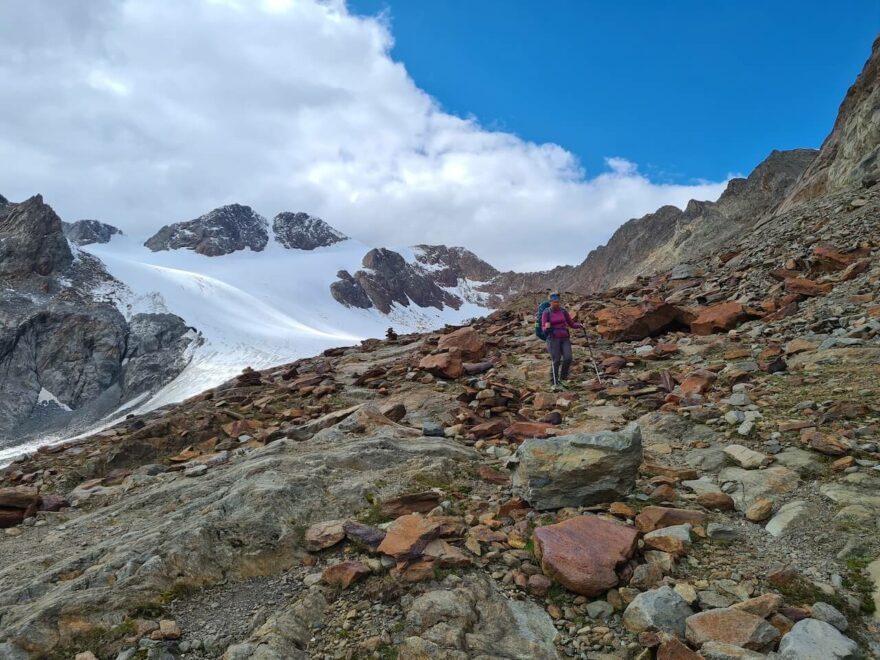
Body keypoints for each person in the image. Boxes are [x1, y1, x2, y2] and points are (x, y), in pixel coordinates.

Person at [541, 292, 583, 385]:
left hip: (564, 338)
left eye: (558, 302)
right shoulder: (546, 312)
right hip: (552, 338)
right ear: (550, 302)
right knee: (556, 360)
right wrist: (546, 327)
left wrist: (580, 326)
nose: (556, 303)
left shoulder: (563, 311)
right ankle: (554, 381)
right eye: (554, 302)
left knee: (568, 358)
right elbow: (543, 329)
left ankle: (563, 378)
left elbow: (571, 324)